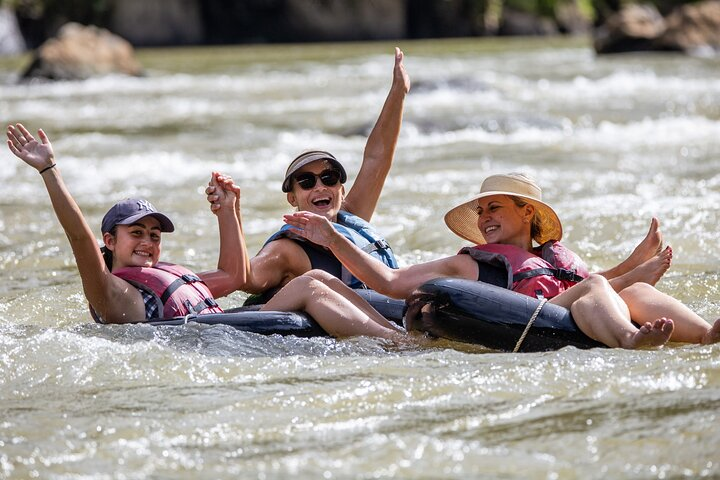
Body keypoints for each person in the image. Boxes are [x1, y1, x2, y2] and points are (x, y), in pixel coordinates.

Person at [282, 173, 720, 348]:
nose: (484, 218)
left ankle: (705, 335)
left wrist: (630, 270)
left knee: (636, 289)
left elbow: (581, 286)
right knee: (605, 287)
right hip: (520, 320)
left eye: (495, 208)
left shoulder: (552, 257)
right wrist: (333, 239)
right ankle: (629, 340)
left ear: (527, 213)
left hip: (566, 311)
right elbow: (389, 280)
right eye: (481, 211)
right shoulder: (470, 266)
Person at [205, 47, 411, 301]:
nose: (320, 187)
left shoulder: (350, 217)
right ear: (292, 199)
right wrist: (230, 213)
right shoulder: (285, 251)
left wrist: (398, 93)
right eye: (306, 182)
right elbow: (243, 278)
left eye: (329, 179)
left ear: (341, 190)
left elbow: (376, 159)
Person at [7, 123, 246, 324]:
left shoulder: (164, 280)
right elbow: (79, 237)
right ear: (109, 240)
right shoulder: (109, 294)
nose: (147, 241)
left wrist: (228, 209)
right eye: (136, 232)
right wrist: (49, 169)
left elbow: (233, 275)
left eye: (154, 235)